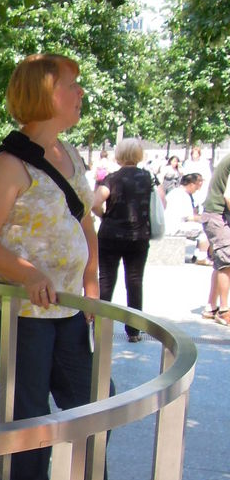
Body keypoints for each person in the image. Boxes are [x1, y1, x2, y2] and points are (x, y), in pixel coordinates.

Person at [0, 52, 128, 480]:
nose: (81, 93)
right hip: (15, 310)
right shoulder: (8, 164)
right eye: (72, 85)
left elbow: (84, 224)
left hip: (66, 307)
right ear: (44, 94)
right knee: (29, 408)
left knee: (93, 399)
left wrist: (92, 286)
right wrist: (27, 273)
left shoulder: (69, 153)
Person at [92, 137, 160, 343]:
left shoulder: (112, 178)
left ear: (119, 155)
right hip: (138, 237)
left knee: (106, 281)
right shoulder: (148, 177)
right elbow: (161, 202)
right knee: (135, 281)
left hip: (110, 236)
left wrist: (104, 216)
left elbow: (94, 202)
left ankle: (99, 327)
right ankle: (134, 330)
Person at [201, 150, 230, 327]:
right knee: (227, 263)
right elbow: (228, 195)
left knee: (221, 263)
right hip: (218, 216)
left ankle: (211, 307)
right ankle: (224, 310)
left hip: (213, 215)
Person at [165, 172, 209, 264]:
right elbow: (188, 217)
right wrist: (205, 218)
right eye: (196, 187)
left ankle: (196, 256)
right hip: (174, 227)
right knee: (205, 229)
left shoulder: (175, 192)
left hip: (169, 225)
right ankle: (201, 258)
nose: (197, 189)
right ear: (191, 185)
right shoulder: (182, 195)